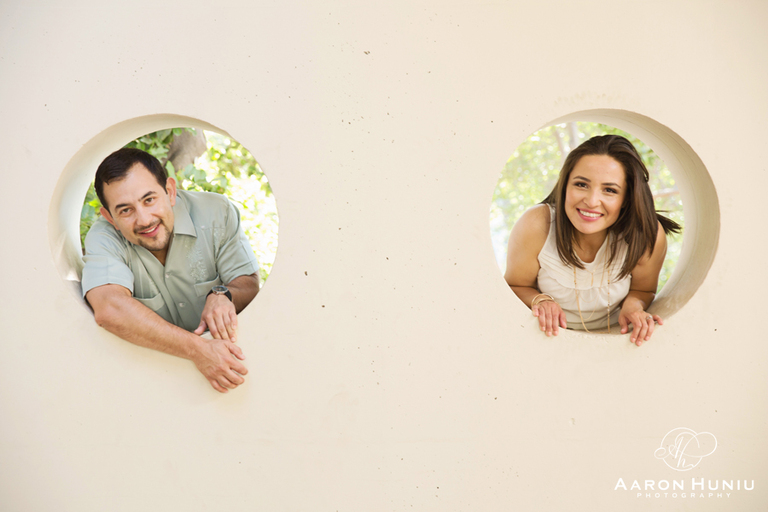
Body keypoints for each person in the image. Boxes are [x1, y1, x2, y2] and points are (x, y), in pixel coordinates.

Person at [82, 147, 260, 392]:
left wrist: (223, 295)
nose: (144, 220)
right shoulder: (104, 238)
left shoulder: (216, 212)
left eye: (149, 200)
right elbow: (109, 308)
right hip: (150, 384)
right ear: (110, 217)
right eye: (126, 210)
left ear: (170, 191)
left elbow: (249, 285)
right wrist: (198, 350)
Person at [504, 135, 681, 346]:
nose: (591, 201)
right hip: (542, 341)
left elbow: (643, 290)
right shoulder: (537, 224)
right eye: (581, 184)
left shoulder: (646, 235)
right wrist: (540, 300)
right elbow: (515, 285)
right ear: (565, 185)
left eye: (610, 190)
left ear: (626, 198)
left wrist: (634, 305)